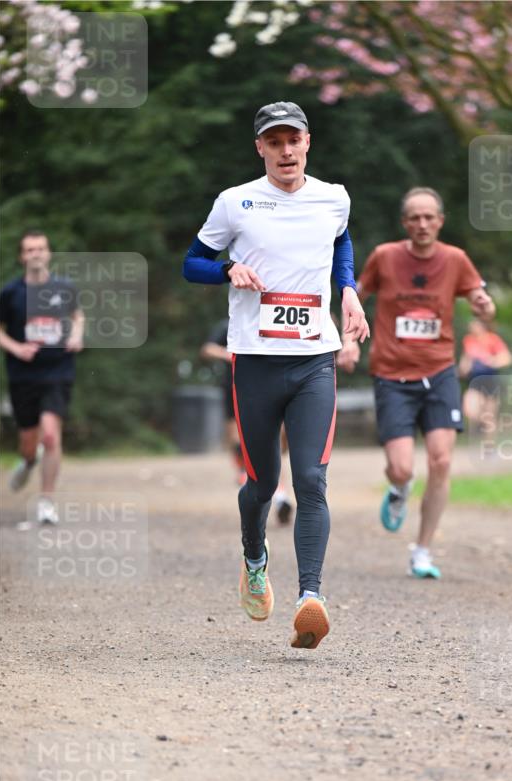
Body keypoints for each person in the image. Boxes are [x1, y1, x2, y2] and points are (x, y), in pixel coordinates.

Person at [184, 101, 369, 649]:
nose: (286, 150)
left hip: (315, 359)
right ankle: (254, 557)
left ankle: (310, 597)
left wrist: (349, 289)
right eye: (274, 141)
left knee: (311, 479)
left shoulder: (333, 197)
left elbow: (340, 243)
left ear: (308, 142)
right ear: (260, 147)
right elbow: (190, 262)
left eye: (294, 140)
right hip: (256, 362)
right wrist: (226, 269)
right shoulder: (234, 202)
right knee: (262, 481)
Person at [343, 186, 494, 579]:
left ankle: (423, 550)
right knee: (402, 467)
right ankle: (398, 489)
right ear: (404, 223)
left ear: (440, 222)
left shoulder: (456, 260)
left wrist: (485, 304)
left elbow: (481, 297)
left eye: (430, 217)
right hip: (392, 375)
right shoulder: (385, 257)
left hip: (440, 372)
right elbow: (353, 298)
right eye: (415, 217)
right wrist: (347, 340)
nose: (423, 224)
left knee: (442, 460)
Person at [0, 230, 84, 524]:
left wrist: (76, 336)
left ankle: (46, 501)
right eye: (29, 250)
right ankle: (28, 460)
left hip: (58, 369)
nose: (35, 254)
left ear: (48, 253)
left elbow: (78, 317)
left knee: (50, 433)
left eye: (40, 248)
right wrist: (16, 347)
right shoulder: (11, 293)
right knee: (29, 441)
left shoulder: (64, 287)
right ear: (22, 256)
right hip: (23, 374)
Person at [200, 317, 294, 523]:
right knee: (237, 439)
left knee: (274, 446)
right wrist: (229, 354)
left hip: (268, 387)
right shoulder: (229, 325)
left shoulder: (272, 319)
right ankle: (244, 473)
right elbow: (207, 349)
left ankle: (281, 497)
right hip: (234, 387)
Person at [458, 319, 512, 435]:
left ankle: (490, 447)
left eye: (474, 322)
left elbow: (507, 358)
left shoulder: (493, 339)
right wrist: (462, 369)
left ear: (482, 325)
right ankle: (482, 423)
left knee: (490, 415)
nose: (471, 325)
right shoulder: (469, 340)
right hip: (474, 381)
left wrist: (491, 361)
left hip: (490, 380)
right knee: (469, 410)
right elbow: (466, 359)